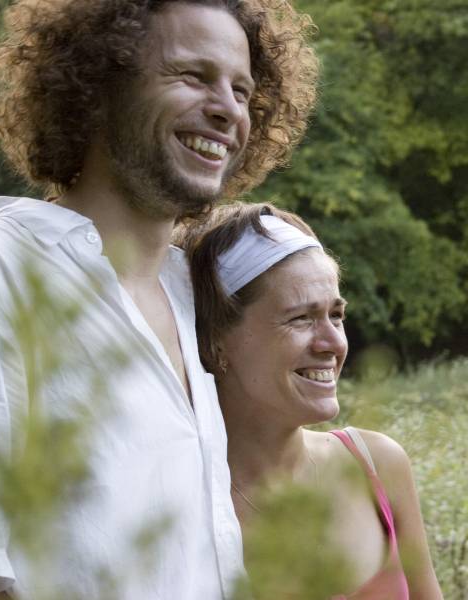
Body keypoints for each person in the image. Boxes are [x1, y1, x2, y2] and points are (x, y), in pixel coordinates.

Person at [0, 0, 318, 598]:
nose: (227, 110)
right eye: (192, 76)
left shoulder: (196, 292)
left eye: (242, 91)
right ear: (98, 86)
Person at [174, 202, 444, 599]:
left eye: (336, 315)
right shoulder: (182, 506)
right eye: (301, 318)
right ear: (215, 341)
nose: (334, 344)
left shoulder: (377, 466)